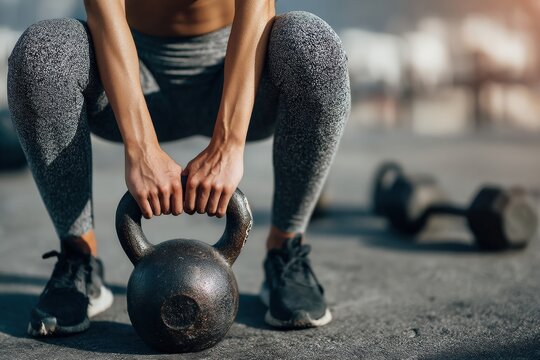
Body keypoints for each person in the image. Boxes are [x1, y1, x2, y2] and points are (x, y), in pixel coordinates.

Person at [8, 0, 350, 336]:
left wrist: (228, 145)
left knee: (313, 44)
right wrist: (140, 147)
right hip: (129, 80)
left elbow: (258, 9)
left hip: (239, 76)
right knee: (43, 51)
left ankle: (285, 252)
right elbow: (103, 16)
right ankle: (79, 258)